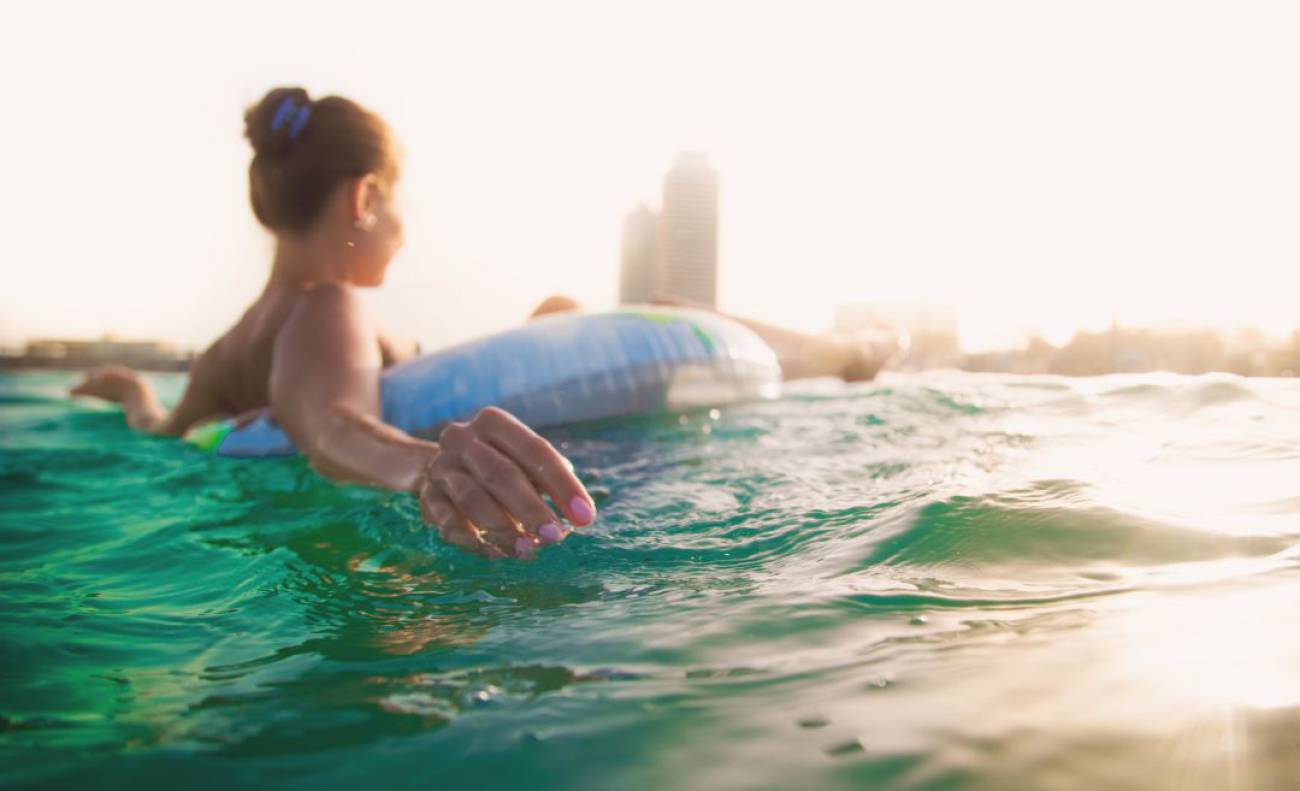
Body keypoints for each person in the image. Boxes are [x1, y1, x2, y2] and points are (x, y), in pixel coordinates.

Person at [71, 87, 897, 561]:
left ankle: (852, 350)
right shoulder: (328, 307)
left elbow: (165, 429)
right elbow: (327, 423)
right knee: (651, 314)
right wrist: (430, 464)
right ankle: (852, 351)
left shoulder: (232, 346)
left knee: (558, 314)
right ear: (365, 199)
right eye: (399, 202)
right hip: (365, 505)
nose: (403, 225)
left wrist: (133, 393)